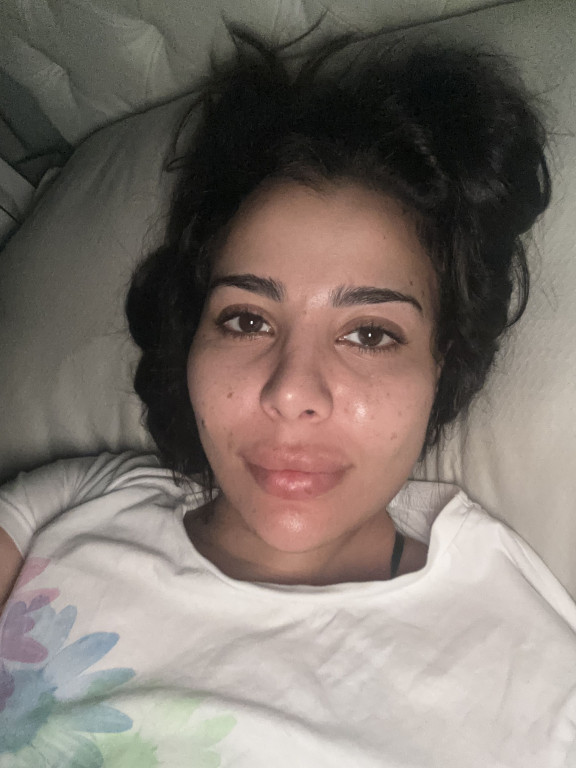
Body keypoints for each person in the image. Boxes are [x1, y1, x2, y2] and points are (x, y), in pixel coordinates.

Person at [0, 26, 575, 767]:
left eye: (369, 334)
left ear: (445, 361)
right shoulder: (74, 502)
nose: (292, 391)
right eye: (247, 320)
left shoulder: (530, 673)